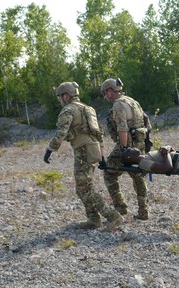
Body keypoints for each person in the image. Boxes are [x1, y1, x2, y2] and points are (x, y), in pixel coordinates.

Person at [43, 81, 122, 231]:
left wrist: (50, 149)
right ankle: (93, 219)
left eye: (60, 96)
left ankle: (113, 216)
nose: (59, 99)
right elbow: (99, 134)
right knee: (85, 186)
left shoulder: (68, 110)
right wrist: (102, 155)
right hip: (93, 150)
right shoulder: (88, 109)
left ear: (66, 96)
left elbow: (61, 132)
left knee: (84, 188)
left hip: (82, 151)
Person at [101, 77, 151, 220]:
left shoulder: (118, 105)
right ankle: (143, 211)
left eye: (105, 93)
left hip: (128, 144)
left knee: (109, 173)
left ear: (111, 91)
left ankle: (121, 208)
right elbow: (147, 123)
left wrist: (123, 149)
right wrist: (146, 144)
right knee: (138, 175)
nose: (105, 97)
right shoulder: (133, 102)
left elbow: (122, 128)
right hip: (140, 142)